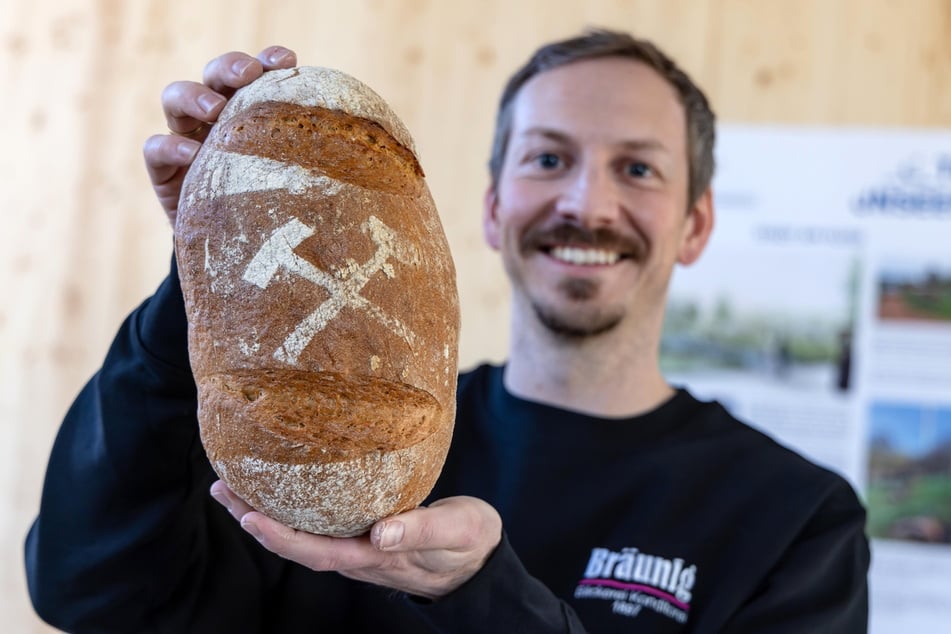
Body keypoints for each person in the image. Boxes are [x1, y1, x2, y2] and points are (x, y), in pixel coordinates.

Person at [25, 29, 870, 632]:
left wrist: (479, 597)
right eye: (547, 158)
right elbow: (86, 586)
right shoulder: (326, 464)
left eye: (637, 168)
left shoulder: (794, 518)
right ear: (494, 207)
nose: (586, 202)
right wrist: (219, 265)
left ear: (694, 223)